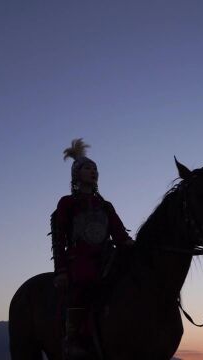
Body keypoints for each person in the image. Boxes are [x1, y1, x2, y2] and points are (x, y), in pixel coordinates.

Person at [51, 138, 134, 358]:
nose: (93, 171)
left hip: (106, 257)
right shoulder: (67, 203)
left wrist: (134, 247)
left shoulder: (105, 206)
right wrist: (61, 270)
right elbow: (59, 238)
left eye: (95, 168)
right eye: (87, 168)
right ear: (77, 174)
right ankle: (74, 338)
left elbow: (120, 236)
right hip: (79, 259)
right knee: (84, 281)